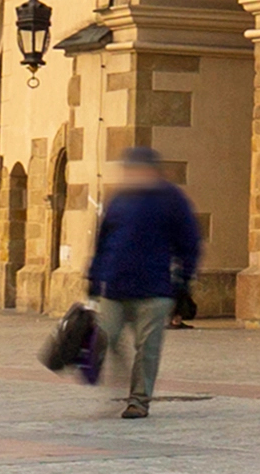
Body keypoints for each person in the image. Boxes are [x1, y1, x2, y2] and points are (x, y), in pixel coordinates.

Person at [82, 147, 199, 423]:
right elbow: (103, 241)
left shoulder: (172, 200)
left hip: (154, 290)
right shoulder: (120, 199)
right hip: (115, 286)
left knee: (147, 348)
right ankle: (124, 379)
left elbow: (189, 243)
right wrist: (94, 278)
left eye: (136, 169)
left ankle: (138, 400)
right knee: (105, 337)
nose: (131, 174)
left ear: (151, 170)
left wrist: (183, 282)